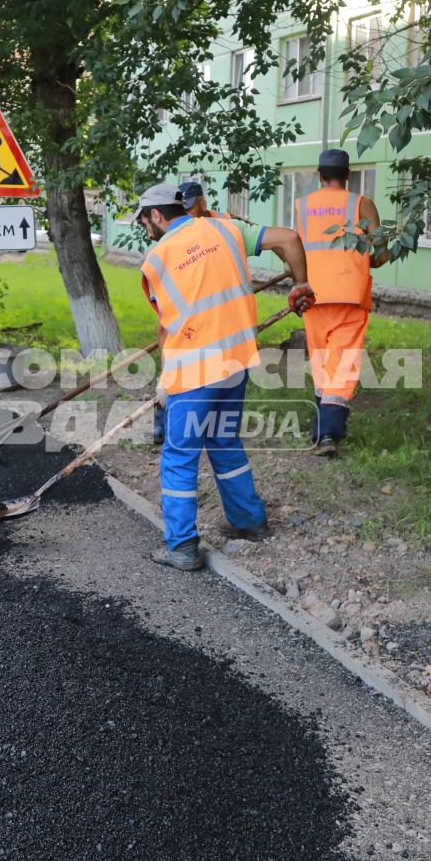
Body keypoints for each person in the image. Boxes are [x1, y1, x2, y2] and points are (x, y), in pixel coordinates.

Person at [135, 181, 314, 571]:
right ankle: (249, 522)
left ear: (155, 215)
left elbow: (167, 327)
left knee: (180, 456)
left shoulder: (157, 259)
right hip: (236, 360)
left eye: (144, 221)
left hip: (194, 369)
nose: (145, 229)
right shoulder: (225, 228)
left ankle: (181, 547)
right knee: (223, 440)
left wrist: (164, 381)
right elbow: (288, 239)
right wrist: (301, 284)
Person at [293, 148, 390, 456]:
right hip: (350, 294)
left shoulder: (302, 206)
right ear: (348, 176)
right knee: (343, 362)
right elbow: (382, 254)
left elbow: (297, 251)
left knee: (322, 362)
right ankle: (328, 434)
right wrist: (365, 261)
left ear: (319, 176)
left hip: (313, 294)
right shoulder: (361, 204)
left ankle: (323, 427)